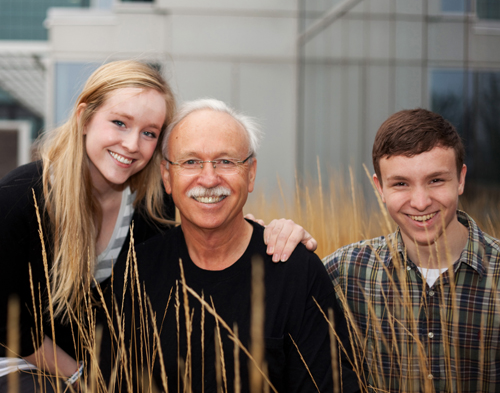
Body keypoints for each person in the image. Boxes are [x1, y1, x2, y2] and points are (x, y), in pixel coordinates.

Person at [0, 61, 315, 392]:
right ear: (84, 118)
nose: (133, 144)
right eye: (120, 123)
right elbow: (10, 326)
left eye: (149, 132)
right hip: (20, 362)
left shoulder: (150, 203)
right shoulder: (20, 200)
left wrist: (270, 234)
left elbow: (197, 244)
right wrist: (82, 378)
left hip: (100, 370)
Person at [102, 99, 359, 392]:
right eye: (190, 162)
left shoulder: (297, 271)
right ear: (166, 176)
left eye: (226, 161)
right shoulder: (138, 270)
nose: (209, 178)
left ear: (250, 173)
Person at [323, 109, 500, 392]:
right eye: (401, 184)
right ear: (379, 188)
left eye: (436, 180)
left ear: (461, 179)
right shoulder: (345, 272)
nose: (420, 202)